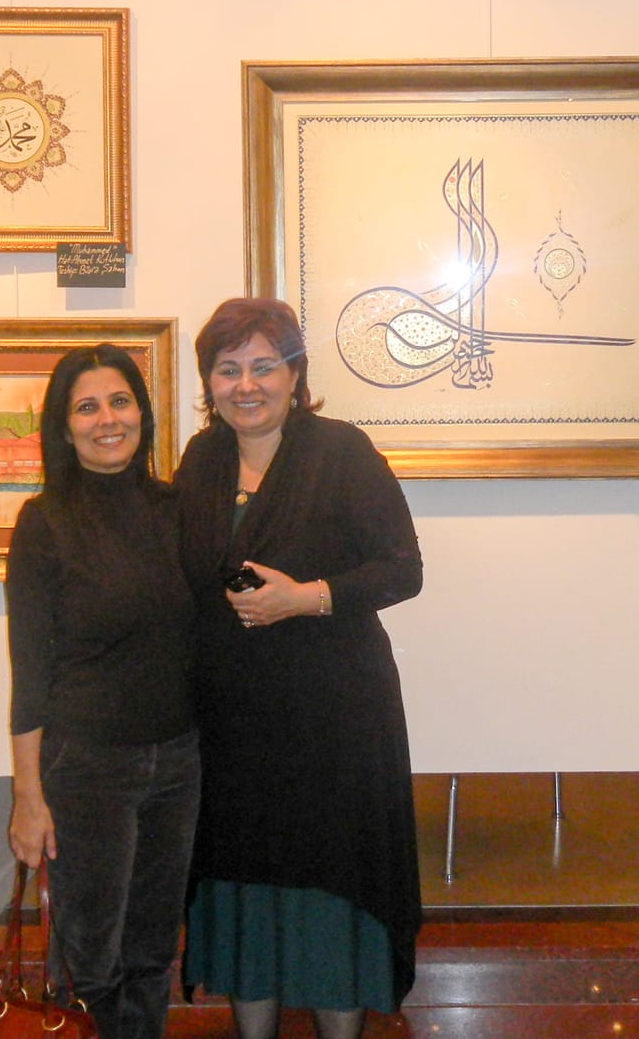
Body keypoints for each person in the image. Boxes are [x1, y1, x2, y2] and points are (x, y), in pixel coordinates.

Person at [174, 297, 424, 1039]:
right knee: (243, 886)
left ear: (294, 373)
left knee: (329, 884)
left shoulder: (341, 451)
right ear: (209, 381)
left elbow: (403, 569)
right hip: (231, 724)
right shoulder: (201, 460)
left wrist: (304, 598)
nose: (246, 385)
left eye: (263, 365)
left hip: (333, 718)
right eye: (228, 369)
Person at [4, 344, 201, 1039]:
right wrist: (28, 796)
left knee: (152, 951)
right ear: (63, 428)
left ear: (142, 413)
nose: (107, 419)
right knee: (88, 962)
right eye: (86, 407)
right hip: (87, 768)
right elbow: (29, 669)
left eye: (120, 401)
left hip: (179, 761)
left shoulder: (178, 509)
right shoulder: (44, 522)